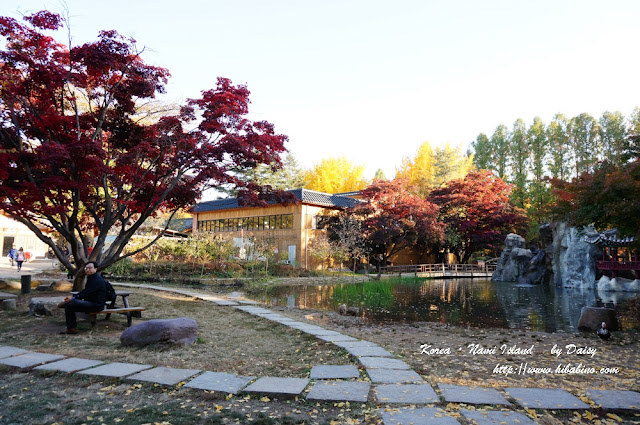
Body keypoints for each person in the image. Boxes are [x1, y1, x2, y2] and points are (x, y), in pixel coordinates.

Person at [59, 261, 107, 335]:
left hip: (96, 305)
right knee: (69, 305)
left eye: (90, 268)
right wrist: (73, 297)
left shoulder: (96, 279)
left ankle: (72, 328)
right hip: (91, 302)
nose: (87, 269)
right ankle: (71, 328)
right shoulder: (92, 278)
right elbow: (85, 291)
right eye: (86, 268)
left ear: (96, 269)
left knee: (71, 303)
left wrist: (74, 298)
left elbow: (88, 293)